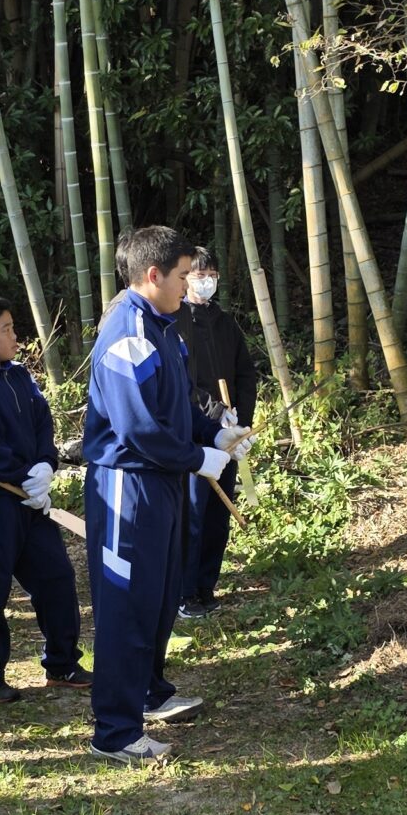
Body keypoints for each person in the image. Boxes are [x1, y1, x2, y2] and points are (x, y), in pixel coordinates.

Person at [83, 225, 248, 764]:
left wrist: (212, 434)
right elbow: (139, 430)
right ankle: (115, 731)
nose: (189, 285)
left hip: (163, 480)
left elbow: (175, 409)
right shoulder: (128, 334)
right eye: (181, 276)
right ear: (152, 276)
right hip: (129, 486)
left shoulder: (164, 328)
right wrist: (199, 457)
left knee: (156, 598)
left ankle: (146, 693)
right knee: (127, 605)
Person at [0, 293, 84, 702]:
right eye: (5, 329)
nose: (15, 337)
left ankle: (62, 663)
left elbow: (43, 421)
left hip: (32, 501)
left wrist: (46, 463)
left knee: (57, 577)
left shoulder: (20, 374)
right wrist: (26, 478)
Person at [178, 247, 258, 617]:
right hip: (193, 434)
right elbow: (181, 383)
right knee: (191, 512)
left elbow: (246, 373)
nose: (206, 280)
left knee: (218, 513)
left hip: (227, 433)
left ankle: (207, 585)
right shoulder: (175, 322)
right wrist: (214, 413)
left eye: (211, 273)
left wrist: (241, 422)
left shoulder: (225, 323)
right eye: (198, 274)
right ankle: (185, 591)